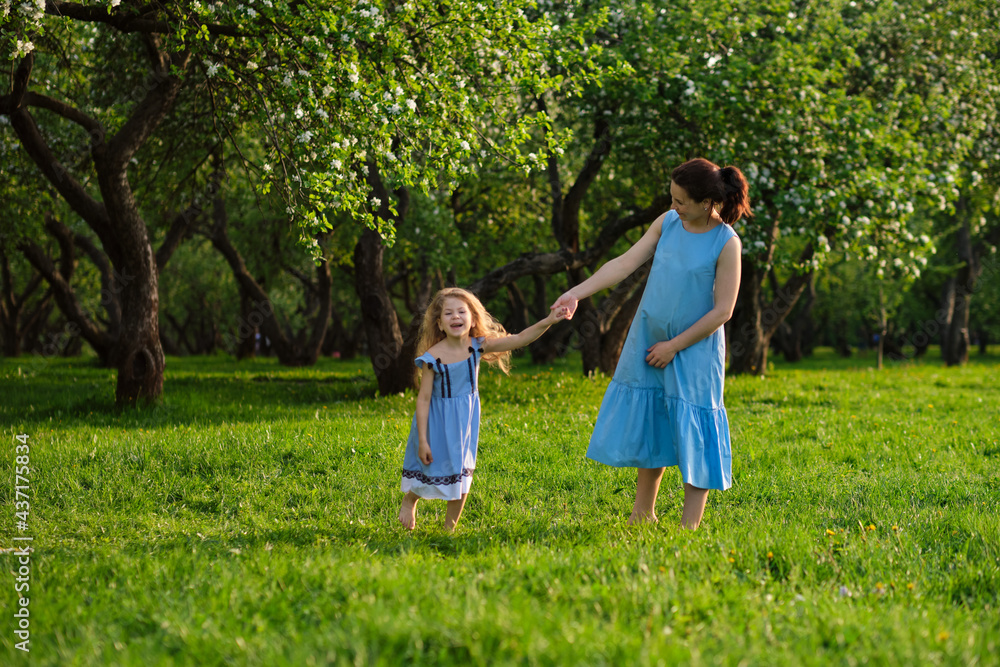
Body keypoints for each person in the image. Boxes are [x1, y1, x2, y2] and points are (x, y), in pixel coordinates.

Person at [551, 157, 751, 529]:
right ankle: (642, 514)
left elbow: (723, 311)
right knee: (654, 422)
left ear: (707, 202)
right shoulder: (668, 222)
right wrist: (576, 292)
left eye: (680, 201)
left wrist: (674, 346)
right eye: (672, 198)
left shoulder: (726, 243)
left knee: (695, 429)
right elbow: (623, 263)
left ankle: (689, 527)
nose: (673, 206)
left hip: (693, 348)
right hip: (649, 339)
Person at [399, 287, 569, 531]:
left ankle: (449, 529)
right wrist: (423, 441)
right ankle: (410, 499)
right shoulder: (432, 357)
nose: (455, 316)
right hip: (436, 422)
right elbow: (424, 399)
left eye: (461, 311)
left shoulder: (478, 346)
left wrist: (549, 320)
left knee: (462, 473)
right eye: (448, 313)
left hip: (464, 422)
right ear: (439, 324)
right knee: (431, 467)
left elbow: (520, 338)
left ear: (472, 319)